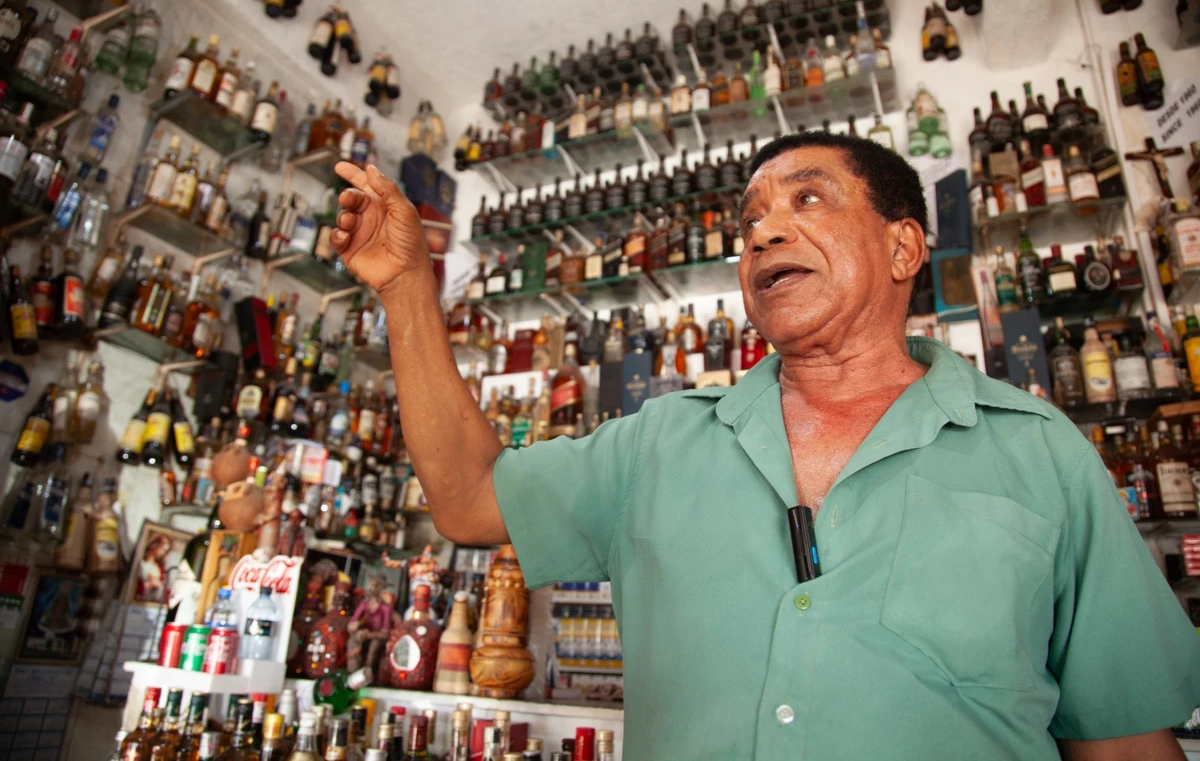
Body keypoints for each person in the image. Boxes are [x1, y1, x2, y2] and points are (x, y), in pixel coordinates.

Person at [331, 134, 1200, 760]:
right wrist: (408, 286)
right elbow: (466, 495)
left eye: (807, 199)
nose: (761, 232)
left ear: (904, 247)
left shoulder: (1039, 454)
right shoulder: (659, 443)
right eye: (749, 219)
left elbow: (1123, 746)